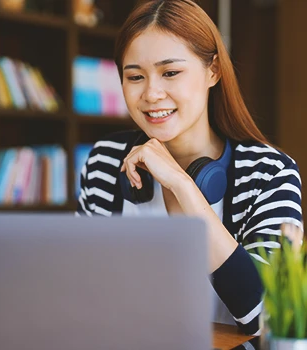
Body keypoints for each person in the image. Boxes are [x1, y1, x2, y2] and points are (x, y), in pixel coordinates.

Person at [75, 0, 302, 339]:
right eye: (135, 76)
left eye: (170, 72)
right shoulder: (106, 160)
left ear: (213, 71)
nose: (152, 93)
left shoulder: (269, 173)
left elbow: (264, 320)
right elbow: (79, 291)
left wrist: (183, 185)